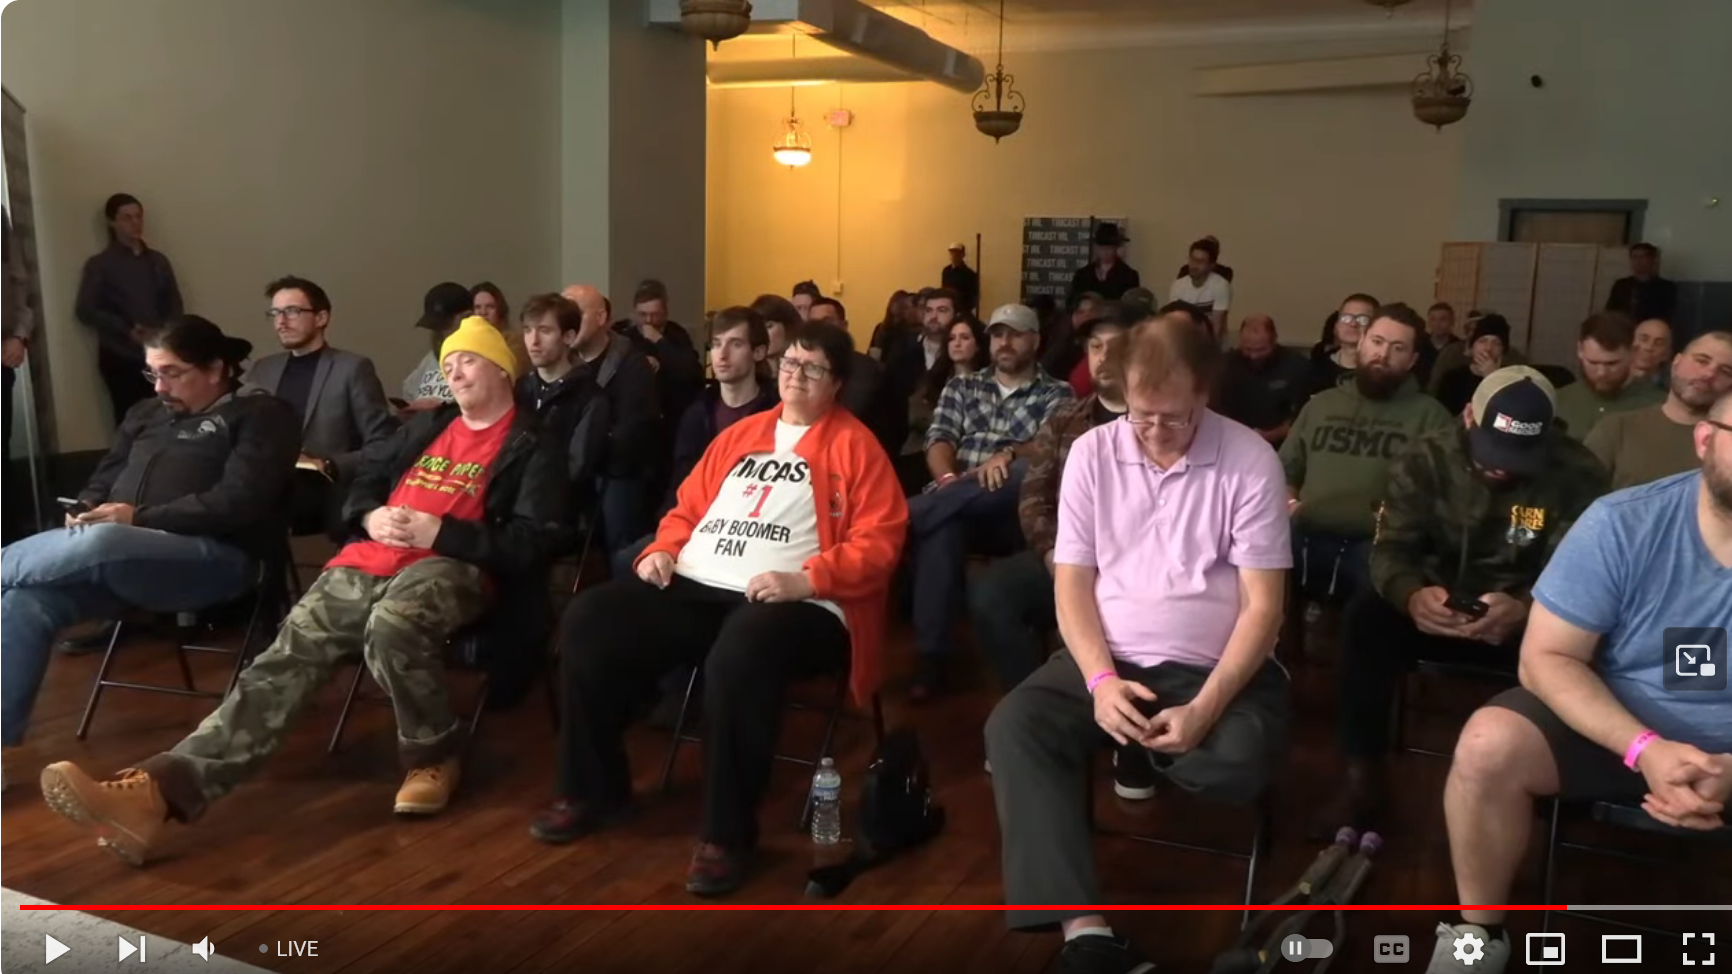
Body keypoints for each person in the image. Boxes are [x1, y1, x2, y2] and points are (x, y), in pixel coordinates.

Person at [37, 317, 567, 859]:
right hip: (370, 557)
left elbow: (535, 541)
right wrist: (370, 516)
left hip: (454, 563)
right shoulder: (428, 427)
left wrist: (442, 532)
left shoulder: (532, 442)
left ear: (502, 369)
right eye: (448, 364)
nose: (453, 373)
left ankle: (432, 754)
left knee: (393, 624)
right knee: (285, 655)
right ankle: (157, 793)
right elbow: (363, 481)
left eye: (468, 360)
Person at [532, 322, 906, 898]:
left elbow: (880, 543)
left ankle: (727, 835)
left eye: (813, 368)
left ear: (837, 383)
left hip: (803, 600)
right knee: (590, 620)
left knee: (740, 652)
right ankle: (593, 791)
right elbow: (687, 507)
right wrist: (661, 549)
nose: (796, 375)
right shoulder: (742, 435)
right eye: (790, 363)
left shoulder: (857, 447)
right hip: (699, 582)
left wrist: (808, 578)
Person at [984, 314, 1291, 974]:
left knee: (1235, 764)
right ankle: (1085, 933)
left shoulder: (1250, 460)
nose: (1153, 432)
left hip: (1212, 667)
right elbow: (1073, 582)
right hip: (1109, 656)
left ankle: (1140, 747)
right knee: (1015, 725)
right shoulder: (1095, 452)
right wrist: (1099, 683)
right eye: (1140, 415)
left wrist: (1204, 709)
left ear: (1204, 392)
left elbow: (1265, 607)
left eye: (1172, 418)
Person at [1426, 389, 1732, 973]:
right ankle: (1476, 938)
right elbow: (1545, 657)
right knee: (1490, 745)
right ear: (1705, 439)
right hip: (1620, 731)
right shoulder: (1624, 522)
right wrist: (1645, 749)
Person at [2, 317, 299, 775]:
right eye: (152, 373)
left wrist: (138, 519)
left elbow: (238, 502)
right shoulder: (145, 413)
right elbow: (105, 475)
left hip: (216, 560)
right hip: (123, 560)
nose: (159, 386)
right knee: (24, 602)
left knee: (104, 538)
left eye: (172, 373)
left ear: (216, 368)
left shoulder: (263, 416)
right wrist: (86, 504)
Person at [1317, 367, 1608, 832]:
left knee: (1588, 644)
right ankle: (1362, 776)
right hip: (1433, 604)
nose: (1501, 467)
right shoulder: (1423, 459)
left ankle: (1561, 789)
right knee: (1365, 619)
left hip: (1529, 618)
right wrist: (1411, 595)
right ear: (1470, 416)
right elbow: (1390, 549)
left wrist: (1525, 608)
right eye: (1493, 448)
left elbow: (1579, 573)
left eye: (1519, 455)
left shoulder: (1579, 473)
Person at [908, 303, 1074, 699]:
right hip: (962, 502)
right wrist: (949, 481)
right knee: (944, 524)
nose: (1004, 342)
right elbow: (939, 439)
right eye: (998, 334)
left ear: (1036, 340)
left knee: (1020, 472)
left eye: (1015, 334)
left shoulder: (1058, 391)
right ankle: (932, 660)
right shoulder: (963, 386)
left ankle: (904, 515)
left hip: (1017, 509)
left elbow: (1049, 449)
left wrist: (1009, 454)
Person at [969, 303, 1129, 696]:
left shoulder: (1158, 421)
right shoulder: (1065, 418)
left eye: (1115, 346)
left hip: (1130, 564)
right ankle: (1031, 698)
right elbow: (1033, 496)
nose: (1103, 356)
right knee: (991, 593)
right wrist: (1052, 553)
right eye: (1095, 346)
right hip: (1064, 554)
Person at [1281, 303, 1453, 609]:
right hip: (1304, 533)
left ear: (1412, 360)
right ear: (1361, 342)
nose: (1383, 355)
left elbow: (1447, 494)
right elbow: (1284, 470)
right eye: (1377, 341)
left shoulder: (1431, 416)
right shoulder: (1321, 405)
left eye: (1397, 348)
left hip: (1378, 546)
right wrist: (1291, 506)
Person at [249, 276, 398, 535]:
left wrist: (328, 464)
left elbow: (384, 443)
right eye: (275, 313)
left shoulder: (352, 368)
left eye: (292, 311)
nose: (281, 321)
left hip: (323, 491)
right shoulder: (263, 369)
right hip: (264, 485)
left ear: (321, 318)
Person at [562, 284, 660, 556]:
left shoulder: (632, 364)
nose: (567, 322)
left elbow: (632, 435)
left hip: (616, 471)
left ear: (601, 317)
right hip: (572, 466)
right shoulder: (562, 362)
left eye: (575, 313)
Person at [75, 193, 184, 425]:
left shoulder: (158, 262)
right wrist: (125, 329)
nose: (135, 223)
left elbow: (175, 306)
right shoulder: (100, 265)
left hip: (160, 354)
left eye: (138, 216)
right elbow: (85, 310)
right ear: (112, 222)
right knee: (129, 420)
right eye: (127, 217)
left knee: (166, 418)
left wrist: (165, 334)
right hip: (119, 355)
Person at [1586, 331, 1732, 489]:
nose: (1709, 374)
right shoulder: (1617, 428)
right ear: (1676, 363)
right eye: (1702, 361)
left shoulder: (1726, 444)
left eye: (1725, 371)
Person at [898, 318, 988, 495]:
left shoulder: (988, 385)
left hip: (968, 459)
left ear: (978, 345)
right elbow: (915, 415)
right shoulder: (933, 380)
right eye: (952, 338)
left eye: (964, 338)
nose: (957, 344)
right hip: (922, 453)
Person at [1550, 312, 1663, 440]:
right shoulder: (1556, 403)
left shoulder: (1660, 407)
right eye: (1593, 362)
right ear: (1580, 350)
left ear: (1633, 352)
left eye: (1612, 364)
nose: (1601, 372)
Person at [805, 297, 889, 451]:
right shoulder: (801, 368)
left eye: (827, 322)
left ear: (844, 326)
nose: (820, 330)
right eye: (814, 324)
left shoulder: (868, 371)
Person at [1216, 314, 1310, 447]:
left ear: (1274, 340)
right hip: (1231, 440)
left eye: (1261, 350)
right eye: (1248, 349)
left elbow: (1304, 418)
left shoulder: (1297, 366)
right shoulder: (1224, 365)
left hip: (1280, 444)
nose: (1254, 356)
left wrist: (1271, 435)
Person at [401, 282, 474, 412]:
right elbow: (409, 391)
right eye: (434, 327)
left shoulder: (483, 360)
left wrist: (441, 409)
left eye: (444, 325)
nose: (439, 333)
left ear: (467, 317)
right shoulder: (431, 358)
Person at [1433, 314, 1513, 416]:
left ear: (1503, 350)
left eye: (1496, 343)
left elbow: (1509, 415)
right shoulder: (1451, 379)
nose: (1488, 348)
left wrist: (1493, 378)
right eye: (1482, 341)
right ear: (1472, 347)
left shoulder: (1511, 382)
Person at [1304, 294, 1378, 401]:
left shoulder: (1381, 371)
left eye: (1363, 319)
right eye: (1346, 318)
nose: (1353, 324)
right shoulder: (1315, 369)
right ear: (1336, 325)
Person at [1167, 237, 1232, 335]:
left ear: (1211, 265)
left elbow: (1216, 328)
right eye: (1192, 259)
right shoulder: (1178, 285)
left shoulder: (1221, 285)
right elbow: (1174, 322)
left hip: (1209, 339)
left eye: (1200, 261)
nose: (1194, 265)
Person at [1604, 242, 1677, 325]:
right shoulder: (1621, 285)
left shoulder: (1666, 288)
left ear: (1652, 260)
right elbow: (1610, 312)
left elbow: (1668, 315)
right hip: (1623, 328)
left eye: (1642, 257)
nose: (1638, 261)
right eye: (1634, 257)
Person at [1067, 223, 1139, 305]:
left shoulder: (1129, 276)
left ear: (1116, 248)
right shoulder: (1082, 275)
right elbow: (1072, 303)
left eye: (1109, 248)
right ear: (1095, 248)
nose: (1105, 252)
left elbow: (1132, 306)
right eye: (1101, 248)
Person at [471, 281, 532, 378]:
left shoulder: (514, 341)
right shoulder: (462, 341)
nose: (483, 312)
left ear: (499, 310)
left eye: (490, 307)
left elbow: (509, 372)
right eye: (477, 307)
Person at [1415, 301, 1457, 386]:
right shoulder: (1419, 345)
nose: (1437, 324)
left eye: (1443, 319)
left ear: (1452, 322)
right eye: (1433, 319)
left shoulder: (1458, 347)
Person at [1628, 316, 1674, 390]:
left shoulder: (1670, 388)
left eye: (1658, 344)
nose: (1649, 347)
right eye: (1644, 339)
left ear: (1666, 354)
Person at [942, 242, 980, 316]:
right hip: (948, 309)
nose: (954, 256)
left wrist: (964, 310)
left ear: (963, 255)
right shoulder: (946, 271)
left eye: (957, 253)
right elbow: (943, 290)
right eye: (952, 253)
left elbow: (973, 297)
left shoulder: (970, 274)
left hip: (963, 311)